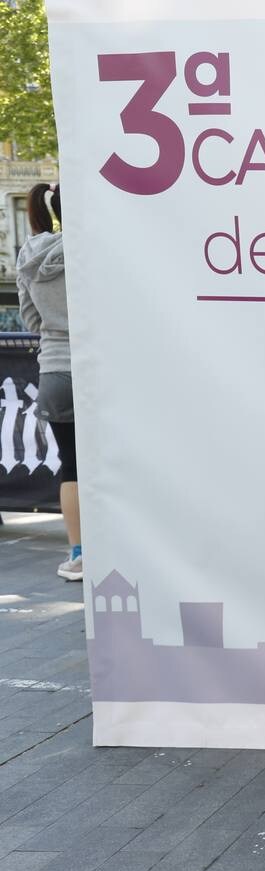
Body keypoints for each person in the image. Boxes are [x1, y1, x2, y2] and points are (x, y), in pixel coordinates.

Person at [16, 182, 81, 582]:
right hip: (97, 371)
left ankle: (78, 553)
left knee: (70, 468)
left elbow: (30, 319)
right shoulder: (93, 251)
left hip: (54, 369)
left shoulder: (31, 253)